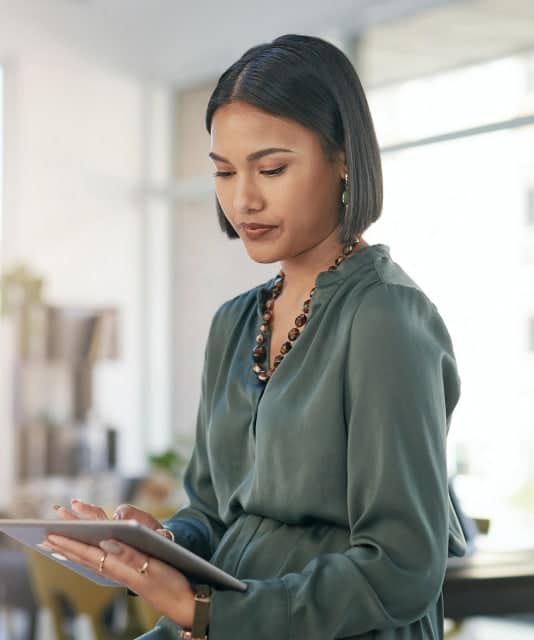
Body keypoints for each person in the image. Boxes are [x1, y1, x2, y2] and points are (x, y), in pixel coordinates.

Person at [45, 33, 467, 639]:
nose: (243, 199)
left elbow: (402, 566)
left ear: (344, 157)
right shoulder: (234, 323)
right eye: (223, 171)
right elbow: (215, 514)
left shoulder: (386, 319)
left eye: (271, 168)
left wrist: (207, 611)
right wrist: (157, 543)